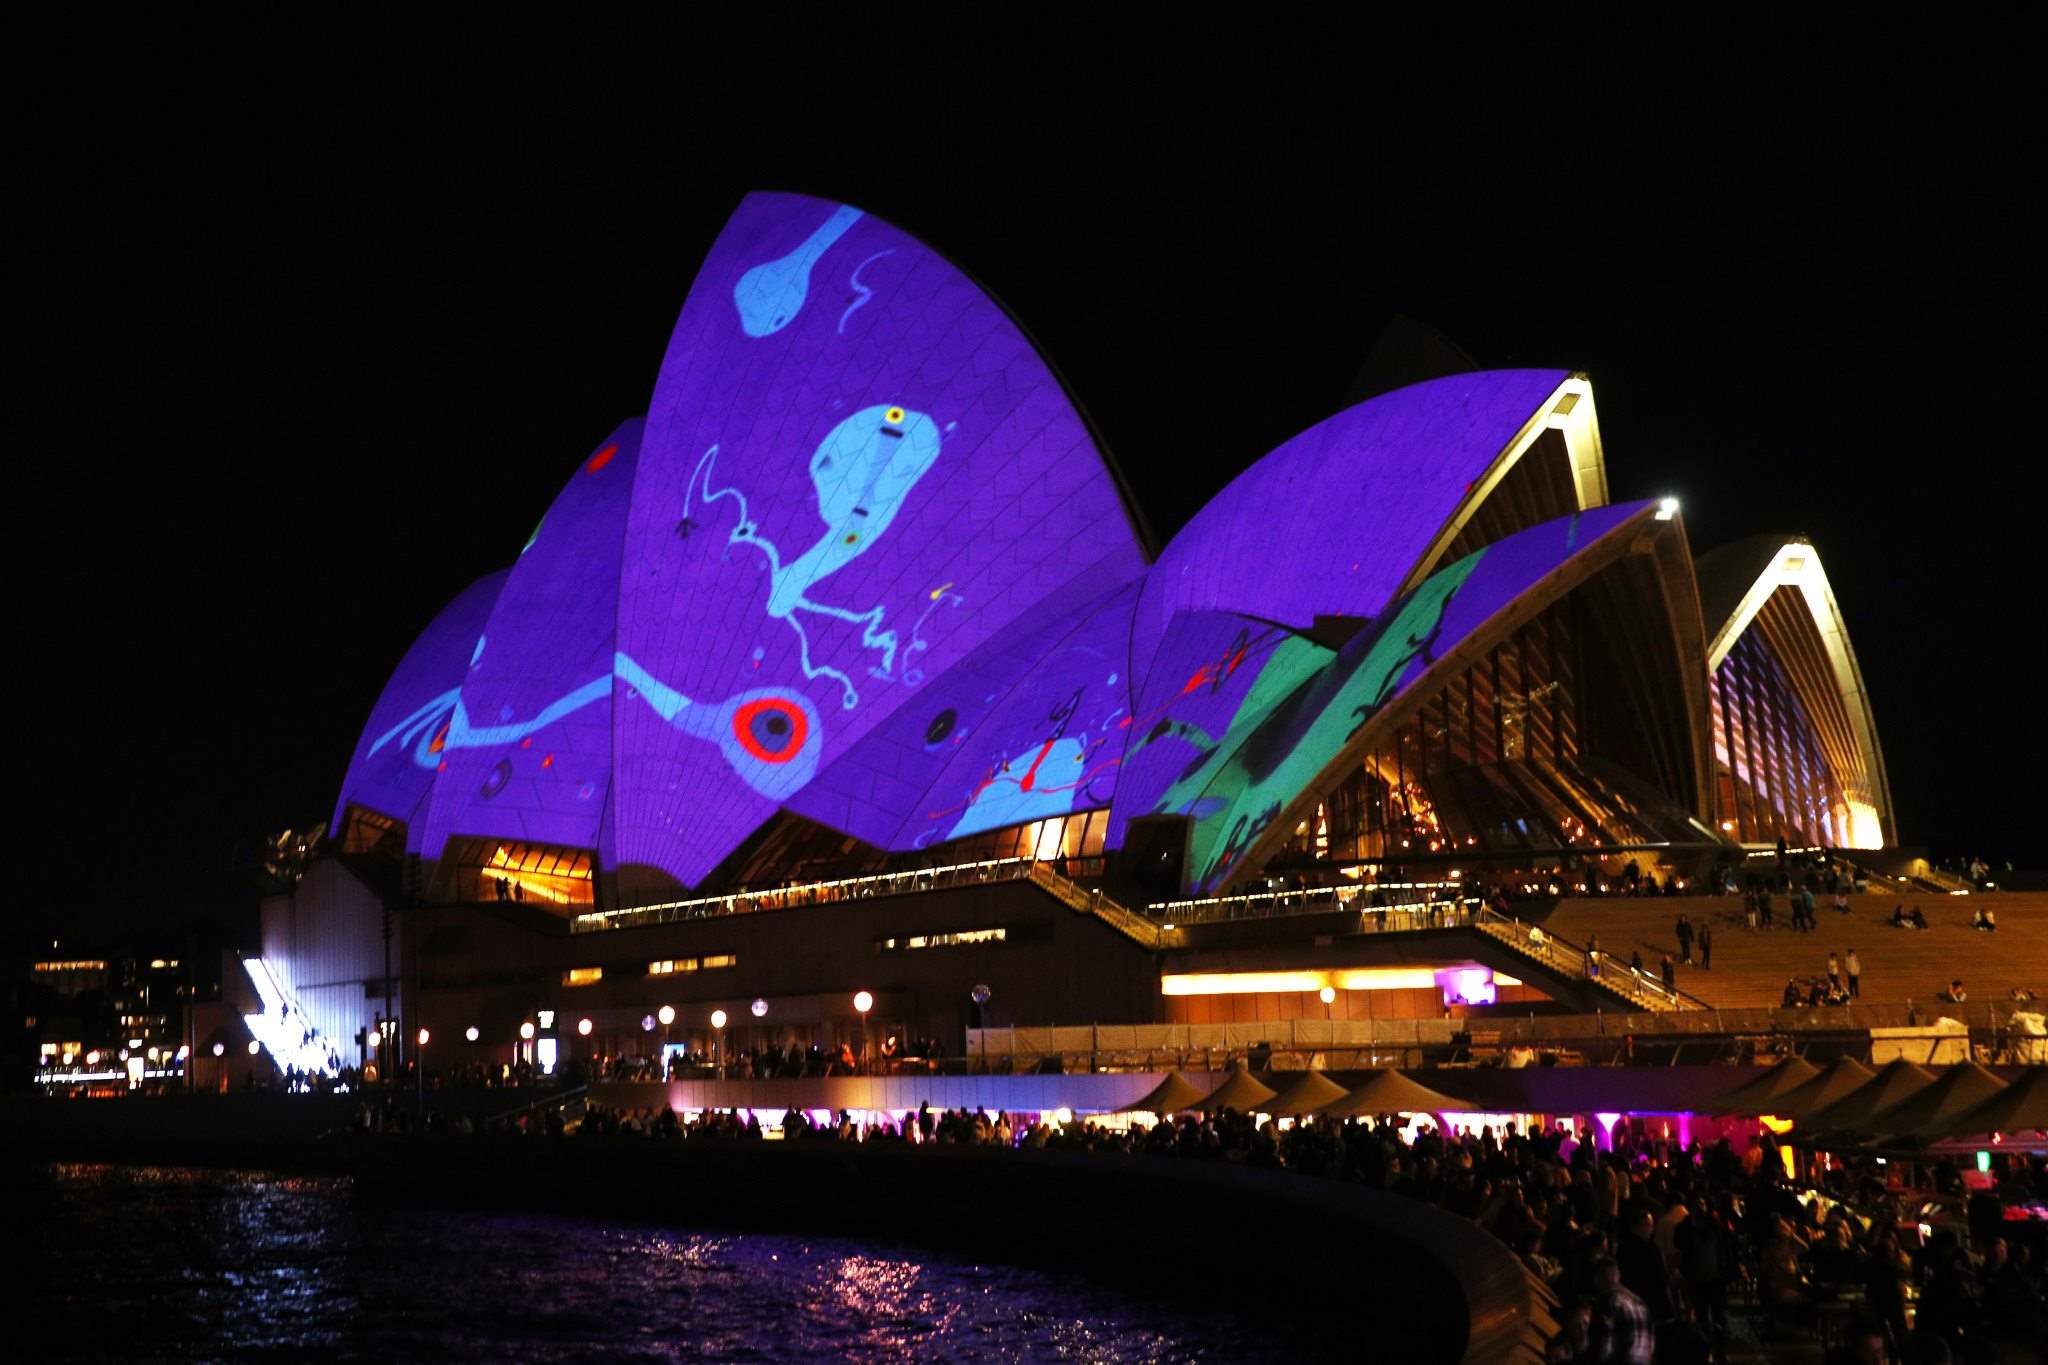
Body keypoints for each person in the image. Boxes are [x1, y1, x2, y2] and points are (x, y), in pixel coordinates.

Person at [1588, 1255, 1656, 1363]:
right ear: (1618, 1275)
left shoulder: (1606, 1301)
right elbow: (1651, 1341)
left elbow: (1603, 1347)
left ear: (1596, 1279)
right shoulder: (1639, 1302)